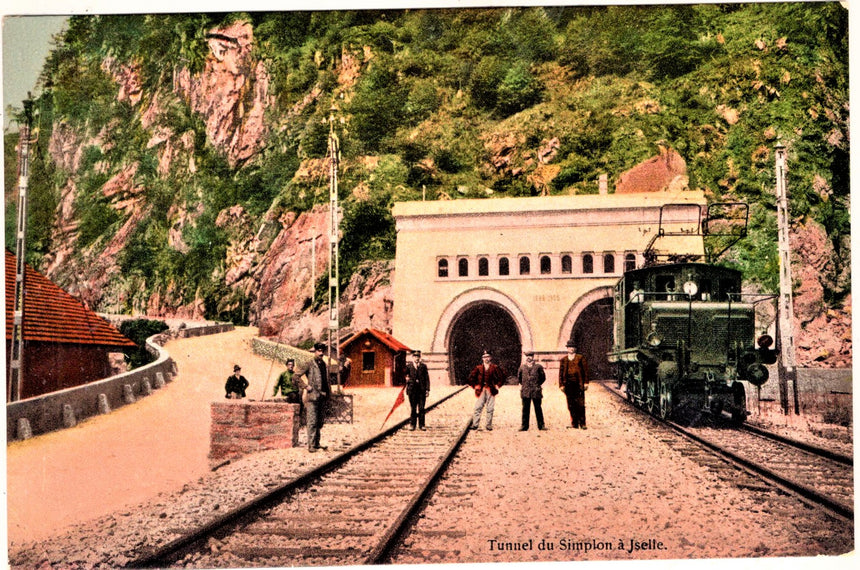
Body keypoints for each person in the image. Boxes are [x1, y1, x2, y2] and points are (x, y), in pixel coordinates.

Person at [299, 342, 331, 452]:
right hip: (312, 398)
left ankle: (317, 443)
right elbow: (295, 376)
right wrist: (305, 386)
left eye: (323, 351)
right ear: (315, 351)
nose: (321, 353)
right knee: (312, 421)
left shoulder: (324, 364)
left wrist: (328, 394)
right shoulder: (309, 363)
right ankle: (311, 445)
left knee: (320, 422)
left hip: (323, 397)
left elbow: (326, 381)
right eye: (319, 351)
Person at [467, 350, 506, 431]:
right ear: (482, 359)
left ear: (490, 358)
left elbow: (502, 377)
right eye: (484, 357)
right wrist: (475, 386)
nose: (486, 359)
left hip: (491, 390)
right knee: (478, 407)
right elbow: (471, 378)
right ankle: (475, 424)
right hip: (481, 390)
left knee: (490, 408)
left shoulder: (494, 367)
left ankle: (488, 425)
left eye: (488, 357)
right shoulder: (478, 368)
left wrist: (498, 386)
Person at [559, 341, 589, 429]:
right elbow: (560, 374)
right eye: (569, 347)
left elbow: (585, 371)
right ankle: (574, 423)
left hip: (578, 384)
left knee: (580, 403)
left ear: (575, 348)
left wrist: (586, 382)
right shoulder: (564, 360)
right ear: (567, 349)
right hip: (568, 384)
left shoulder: (580, 358)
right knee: (570, 404)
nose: (571, 349)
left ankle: (582, 423)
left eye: (573, 347)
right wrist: (561, 385)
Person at [517, 351, 546, 431]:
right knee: (525, 409)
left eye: (530, 356)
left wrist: (536, 385)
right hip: (525, 391)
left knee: (538, 408)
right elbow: (519, 378)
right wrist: (525, 385)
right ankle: (524, 426)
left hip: (536, 391)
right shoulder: (522, 367)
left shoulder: (538, 367)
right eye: (527, 356)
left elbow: (543, 378)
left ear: (533, 357)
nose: (529, 358)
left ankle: (541, 425)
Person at [404, 350, 430, 430]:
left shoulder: (423, 366)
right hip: (412, 390)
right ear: (413, 358)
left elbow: (427, 379)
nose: (416, 358)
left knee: (422, 408)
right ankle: (412, 425)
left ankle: (422, 425)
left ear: (420, 358)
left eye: (418, 357)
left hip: (421, 391)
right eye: (415, 357)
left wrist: (427, 389)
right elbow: (405, 376)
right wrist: (406, 379)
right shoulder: (409, 366)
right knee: (413, 408)